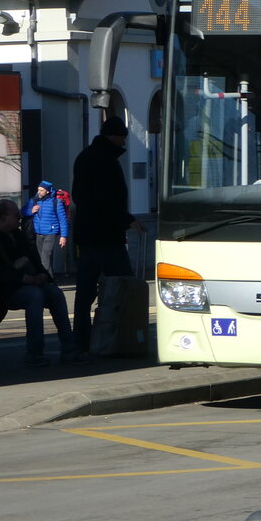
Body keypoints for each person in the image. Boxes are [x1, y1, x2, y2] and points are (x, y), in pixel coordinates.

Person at [0, 199, 83, 366]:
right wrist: (23, 278)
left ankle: (69, 349)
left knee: (55, 293)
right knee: (34, 296)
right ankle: (35, 353)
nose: (20, 219)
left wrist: (43, 275)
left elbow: (34, 258)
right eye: (16, 216)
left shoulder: (17, 234)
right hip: (0, 289)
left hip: (24, 282)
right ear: (4, 217)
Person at [71, 117, 146, 354]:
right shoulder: (105, 161)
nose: (124, 140)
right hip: (108, 236)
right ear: (113, 136)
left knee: (84, 292)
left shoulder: (85, 157)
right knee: (124, 284)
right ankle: (124, 335)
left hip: (86, 235)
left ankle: (81, 340)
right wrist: (127, 219)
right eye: (122, 136)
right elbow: (106, 200)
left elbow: (80, 196)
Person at [24, 180, 67, 276]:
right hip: (38, 233)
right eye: (38, 190)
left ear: (47, 191)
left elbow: (63, 220)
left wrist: (63, 236)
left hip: (50, 233)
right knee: (41, 259)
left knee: (45, 259)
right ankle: (49, 281)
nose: (39, 192)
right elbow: (22, 211)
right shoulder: (34, 200)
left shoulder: (56, 202)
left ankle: (49, 281)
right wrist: (31, 210)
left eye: (41, 190)